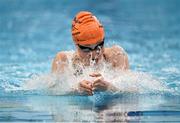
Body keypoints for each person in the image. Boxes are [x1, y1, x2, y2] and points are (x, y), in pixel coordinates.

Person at [51, 11, 129, 95]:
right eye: (86, 49)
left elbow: (132, 90)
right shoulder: (64, 60)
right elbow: (53, 92)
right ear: (76, 45)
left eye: (99, 46)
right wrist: (76, 90)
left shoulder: (116, 56)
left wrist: (109, 87)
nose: (94, 55)